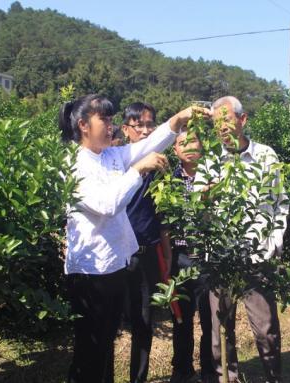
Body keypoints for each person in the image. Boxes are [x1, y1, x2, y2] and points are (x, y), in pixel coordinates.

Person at [59, 94, 208, 383]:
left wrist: (177, 120)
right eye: (104, 118)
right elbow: (106, 204)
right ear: (83, 125)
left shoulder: (109, 156)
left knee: (104, 346)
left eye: (111, 118)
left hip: (114, 266)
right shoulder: (74, 164)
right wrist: (138, 170)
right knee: (89, 351)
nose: (110, 124)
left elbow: (147, 146)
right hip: (91, 273)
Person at [200, 96, 287, 383]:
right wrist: (204, 198)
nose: (221, 127)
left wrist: (272, 243)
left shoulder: (265, 156)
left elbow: (280, 204)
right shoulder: (210, 161)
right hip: (221, 258)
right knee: (219, 330)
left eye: (226, 119)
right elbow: (194, 209)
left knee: (265, 329)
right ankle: (228, 377)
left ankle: (272, 377)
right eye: (216, 122)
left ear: (242, 119)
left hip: (257, 257)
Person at [120, 102, 173, 383]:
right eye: (137, 125)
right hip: (118, 256)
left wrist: (166, 253)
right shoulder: (116, 162)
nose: (144, 130)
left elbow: (164, 216)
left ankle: (138, 378)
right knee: (113, 320)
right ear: (125, 129)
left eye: (149, 124)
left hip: (147, 253)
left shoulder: (161, 166)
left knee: (143, 321)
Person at [169, 131, 216, 383]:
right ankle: (182, 369)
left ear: (202, 145)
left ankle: (209, 369)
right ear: (175, 149)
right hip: (180, 257)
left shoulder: (215, 175)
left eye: (193, 141)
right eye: (181, 143)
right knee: (181, 318)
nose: (187, 146)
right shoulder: (169, 180)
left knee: (210, 318)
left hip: (208, 257)